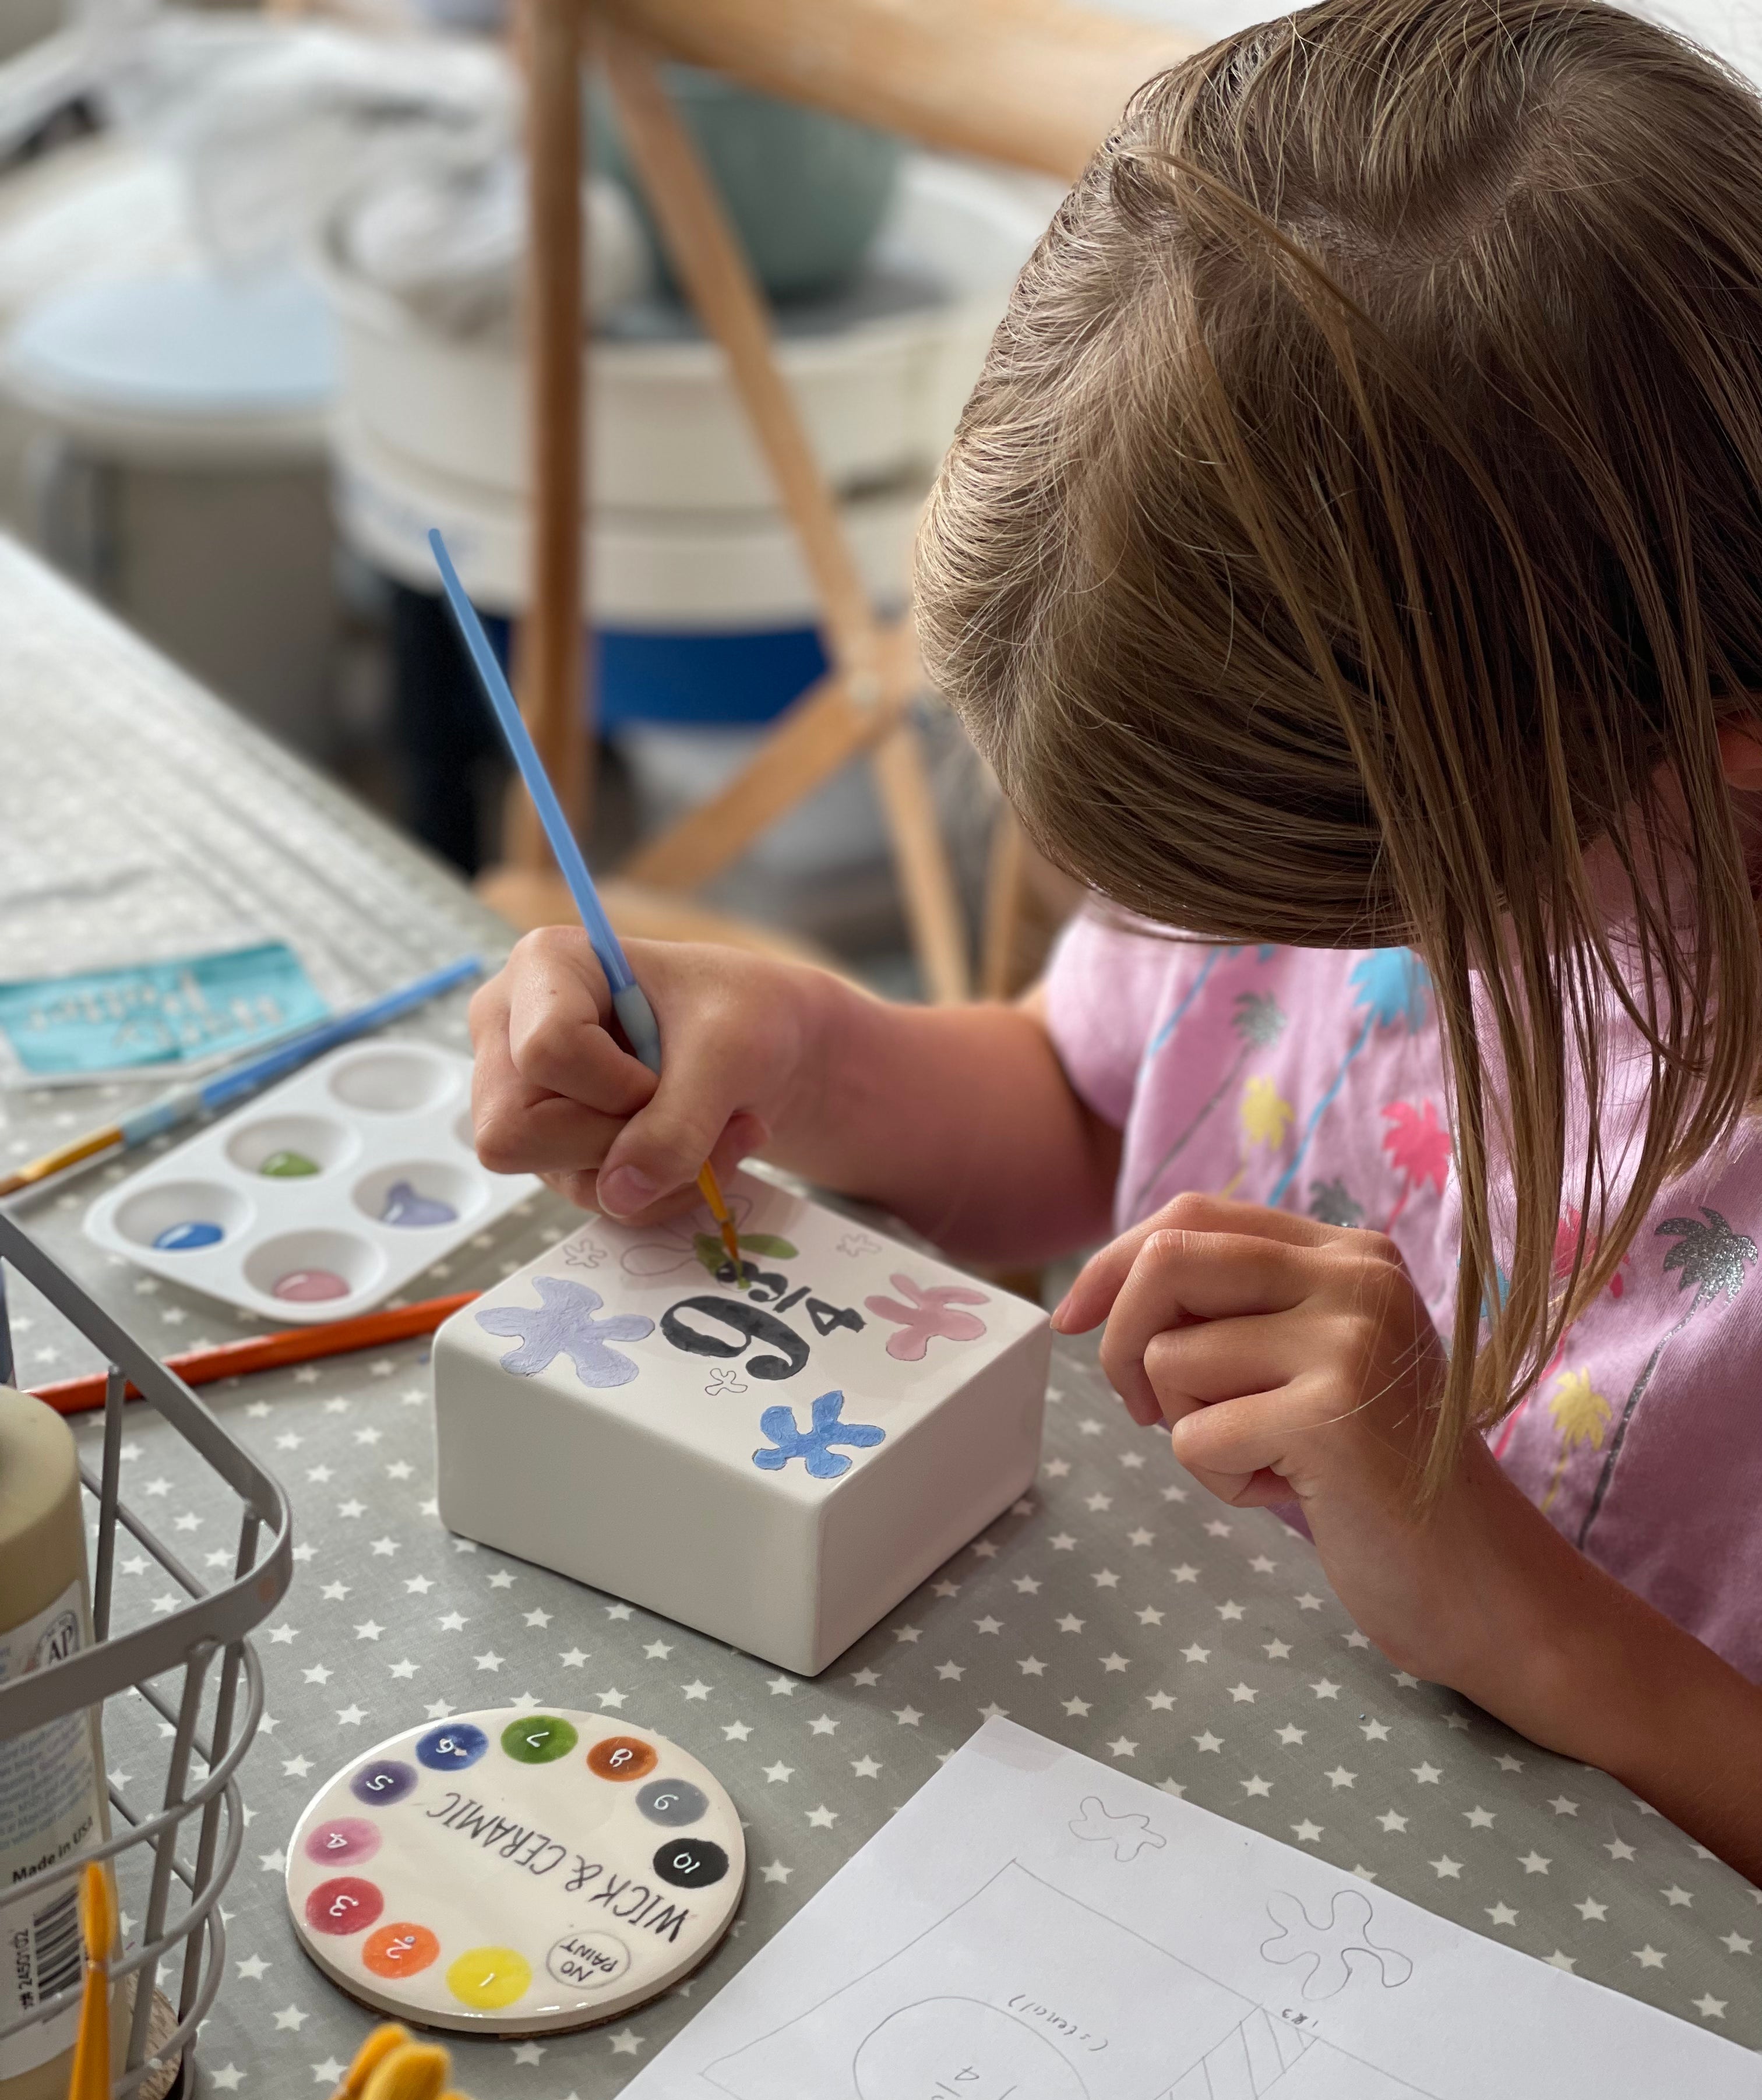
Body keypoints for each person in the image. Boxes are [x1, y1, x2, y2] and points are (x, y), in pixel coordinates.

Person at [468, 0, 1762, 1882]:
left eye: (1372, 911)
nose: (1327, 954)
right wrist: (815, 1055)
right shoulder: (1453, 750)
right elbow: (1092, 1115)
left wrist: (1521, 1611)